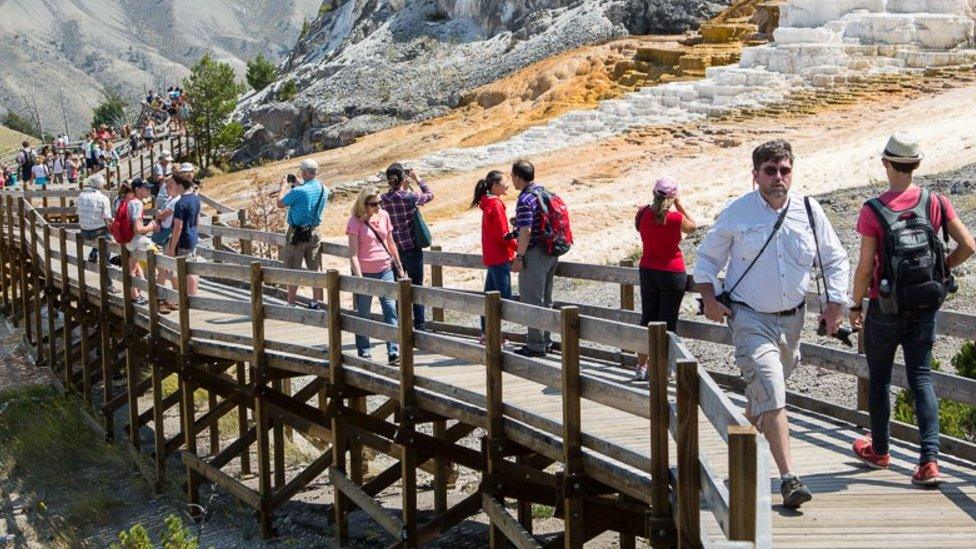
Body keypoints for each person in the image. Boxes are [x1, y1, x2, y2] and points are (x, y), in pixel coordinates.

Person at [694, 139, 850, 509]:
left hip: (793, 320)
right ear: (755, 175)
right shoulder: (737, 213)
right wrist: (711, 300)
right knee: (772, 389)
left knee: (764, 394)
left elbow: (835, 259)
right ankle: (789, 478)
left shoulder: (810, 211)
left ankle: (739, 449)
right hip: (749, 317)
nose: (778, 177)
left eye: (784, 170)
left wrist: (835, 305)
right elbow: (704, 263)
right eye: (770, 171)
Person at [849, 133, 975, 485]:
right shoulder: (935, 202)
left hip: (886, 306)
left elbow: (864, 267)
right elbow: (968, 245)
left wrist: (856, 305)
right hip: (924, 305)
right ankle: (929, 462)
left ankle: (881, 450)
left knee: (881, 379)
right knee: (921, 378)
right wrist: (941, 270)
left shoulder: (873, 209)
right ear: (916, 164)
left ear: (886, 163)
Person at [633, 177, 697, 380]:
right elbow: (693, 227)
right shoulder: (676, 218)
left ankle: (641, 365)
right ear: (672, 196)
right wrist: (679, 204)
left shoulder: (642, 212)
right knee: (668, 322)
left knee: (647, 319)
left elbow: (639, 228)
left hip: (648, 269)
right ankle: (661, 367)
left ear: (654, 193)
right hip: (672, 271)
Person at [347, 187, 402, 363]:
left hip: (385, 269)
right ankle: (364, 350)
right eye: (373, 204)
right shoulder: (355, 221)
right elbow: (353, 253)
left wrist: (399, 267)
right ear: (364, 205)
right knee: (364, 313)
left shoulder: (384, 215)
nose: (378, 207)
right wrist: (360, 277)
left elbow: (390, 242)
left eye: (379, 203)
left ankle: (393, 351)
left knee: (390, 309)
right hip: (365, 271)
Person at [509, 160, 558, 357]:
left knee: (532, 300)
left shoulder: (525, 199)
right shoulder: (544, 193)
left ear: (518, 177)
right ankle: (545, 340)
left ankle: (536, 345)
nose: (511, 180)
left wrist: (519, 257)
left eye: (512, 176)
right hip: (551, 252)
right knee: (546, 299)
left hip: (535, 253)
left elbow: (527, 231)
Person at [380, 162, 433, 330]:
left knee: (398, 287)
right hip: (412, 247)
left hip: (394, 250)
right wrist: (417, 179)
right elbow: (429, 195)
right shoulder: (409, 197)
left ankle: (401, 324)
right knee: (417, 286)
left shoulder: (383, 200)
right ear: (403, 178)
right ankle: (419, 325)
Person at [471, 170, 517, 343]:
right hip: (499, 257)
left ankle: (486, 334)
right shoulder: (496, 204)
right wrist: (517, 248)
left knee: (489, 296)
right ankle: (492, 335)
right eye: (505, 182)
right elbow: (502, 234)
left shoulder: (487, 203)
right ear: (496, 186)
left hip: (491, 256)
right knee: (503, 299)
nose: (508, 184)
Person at [276, 159, 329, 307]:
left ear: (304, 172)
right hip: (315, 232)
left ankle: (291, 302)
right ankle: (315, 302)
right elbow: (310, 194)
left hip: (297, 234)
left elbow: (280, 203)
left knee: (294, 268)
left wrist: (283, 187)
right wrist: (299, 184)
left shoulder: (298, 191)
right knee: (315, 268)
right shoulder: (323, 189)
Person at [115, 179, 157, 305]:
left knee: (132, 268)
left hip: (127, 240)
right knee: (160, 260)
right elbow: (138, 229)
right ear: (138, 190)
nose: (149, 191)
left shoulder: (125, 201)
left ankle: (135, 296)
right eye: (146, 188)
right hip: (136, 239)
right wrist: (152, 226)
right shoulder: (137, 203)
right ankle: (158, 294)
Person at [167, 174, 201, 297]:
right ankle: (193, 294)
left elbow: (178, 227)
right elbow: (197, 220)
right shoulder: (195, 198)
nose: (172, 187)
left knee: (186, 269)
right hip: (193, 237)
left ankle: (190, 297)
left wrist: (171, 249)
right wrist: (194, 233)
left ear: (180, 186)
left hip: (184, 239)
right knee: (193, 267)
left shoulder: (180, 203)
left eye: (173, 184)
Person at [77, 175, 114, 263]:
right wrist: (112, 232)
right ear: (101, 185)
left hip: (83, 231)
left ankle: (93, 255)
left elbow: (77, 212)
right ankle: (105, 262)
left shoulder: (81, 195)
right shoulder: (103, 198)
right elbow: (107, 219)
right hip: (96, 232)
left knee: (99, 228)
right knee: (107, 234)